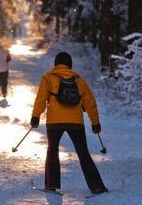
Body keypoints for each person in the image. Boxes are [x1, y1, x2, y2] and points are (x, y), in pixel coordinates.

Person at [30, 51, 107, 195]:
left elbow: (41, 99)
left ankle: (51, 185)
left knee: (52, 151)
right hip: (76, 121)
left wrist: (35, 116)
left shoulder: (48, 78)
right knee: (83, 153)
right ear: (70, 64)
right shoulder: (79, 80)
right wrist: (95, 123)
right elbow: (90, 103)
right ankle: (97, 186)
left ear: (56, 64)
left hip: (54, 122)